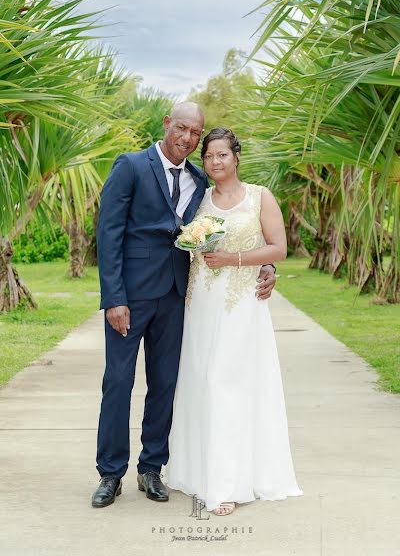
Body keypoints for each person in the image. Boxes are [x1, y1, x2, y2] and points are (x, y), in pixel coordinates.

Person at [91, 103, 277, 507]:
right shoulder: (131, 166)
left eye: (196, 133)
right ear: (166, 124)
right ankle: (110, 473)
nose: (188, 138)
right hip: (131, 297)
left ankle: (151, 468)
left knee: (165, 385)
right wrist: (113, 297)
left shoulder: (198, 180)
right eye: (182, 128)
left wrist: (265, 264)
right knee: (118, 382)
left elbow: (232, 228)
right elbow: (108, 233)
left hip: (177, 298)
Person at [164, 127, 303, 515]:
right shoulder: (200, 197)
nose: (214, 162)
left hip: (241, 304)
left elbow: (278, 247)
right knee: (201, 381)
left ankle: (228, 483)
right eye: (208, 156)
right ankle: (196, 471)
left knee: (229, 384)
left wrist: (251, 263)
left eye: (222, 154)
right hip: (202, 303)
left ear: (236, 157)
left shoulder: (260, 196)